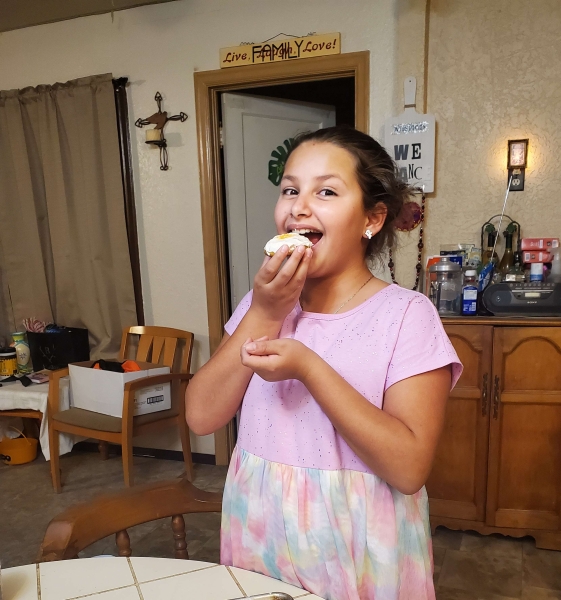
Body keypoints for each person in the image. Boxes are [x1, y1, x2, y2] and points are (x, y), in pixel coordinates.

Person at [186, 126, 462, 600]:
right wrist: (266, 313)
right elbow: (201, 415)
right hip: (260, 532)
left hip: (360, 544)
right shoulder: (262, 306)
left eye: (326, 191)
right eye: (290, 189)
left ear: (372, 218)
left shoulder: (406, 317)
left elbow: (408, 468)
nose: (299, 206)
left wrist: (311, 369)